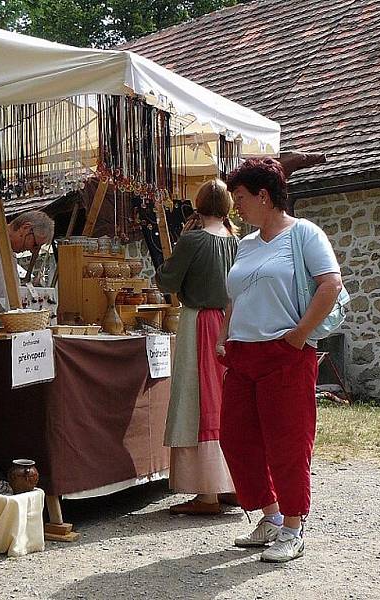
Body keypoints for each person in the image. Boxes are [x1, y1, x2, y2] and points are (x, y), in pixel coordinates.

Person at [217, 158, 343, 562]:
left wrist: (299, 336)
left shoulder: (304, 234)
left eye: (240, 198)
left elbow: (330, 284)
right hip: (242, 354)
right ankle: (270, 517)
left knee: (287, 442)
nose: (236, 207)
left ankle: (293, 526)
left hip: (284, 354)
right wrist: (224, 337)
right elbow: (235, 297)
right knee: (236, 438)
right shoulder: (245, 244)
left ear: (264, 196)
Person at [155, 179, 239, 516]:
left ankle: (207, 493)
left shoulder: (192, 240)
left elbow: (167, 280)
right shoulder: (237, 242)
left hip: (200, 323)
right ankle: (230, 483)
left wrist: (176, 248)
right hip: (231, 324)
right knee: (225, 400)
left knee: (199, 400)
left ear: (198, 205)